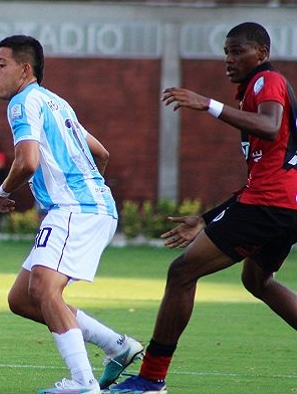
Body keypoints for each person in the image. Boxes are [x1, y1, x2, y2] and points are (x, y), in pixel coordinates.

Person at [112, 22, 297, 393]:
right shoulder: (252, 91)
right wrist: (207, 217)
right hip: (283, 205)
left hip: (270, 203)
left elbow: (271, 126)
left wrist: (208, 104)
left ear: (261, 53)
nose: (228, 60)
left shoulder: (267, 82)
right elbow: (262, 170)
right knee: (256, 280)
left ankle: (151, 378)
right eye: (226, 52)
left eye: (237, 51)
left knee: (181, 273)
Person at [0, 35, 142, 394]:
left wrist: (2, 192)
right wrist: (87, 195)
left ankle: (83, 383)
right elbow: (101, 154)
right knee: (23, 299)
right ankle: (117, 346)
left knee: (43, 288)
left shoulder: (22, 103)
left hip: (76, 210)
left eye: (0, 64)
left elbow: (27, 162)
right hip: (88, 208)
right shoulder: (57, 103)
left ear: (25, 69)